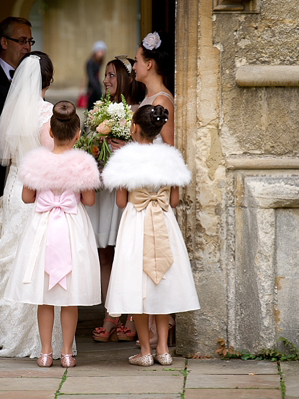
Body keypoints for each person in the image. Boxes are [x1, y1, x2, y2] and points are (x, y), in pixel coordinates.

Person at [0, 51, 70, 359]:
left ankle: (1, 332)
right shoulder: (46, 113)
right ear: (49, 79)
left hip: (15, 186)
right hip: (37, 190)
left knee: (14, 258)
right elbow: (53, 154)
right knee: (37, 261)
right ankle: (36, 339)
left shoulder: (14, 110)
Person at [4, 101, 101, 368]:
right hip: (71, 226)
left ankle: (46, 352)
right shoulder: (83, 162)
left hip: (43, 227)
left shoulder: (35, 161)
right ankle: (67, 352)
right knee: (70, 295)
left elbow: (26, 197)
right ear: (78, 134)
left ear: (49, 131)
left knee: (43, 294)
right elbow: (90, 200)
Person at [102, 105, 200, 366]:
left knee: (137, 285)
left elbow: (122, 201)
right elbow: (175, 200)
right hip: (164, 221)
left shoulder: (124, 159)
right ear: (158, 130)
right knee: (163, 283)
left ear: (134, 127)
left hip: (136, 221)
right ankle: (164, 350)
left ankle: (145, 350)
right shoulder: (171, 158)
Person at [88, 56, 145, 343]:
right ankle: (110, 313)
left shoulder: (139, 111)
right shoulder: (100, 110)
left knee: (129, 253)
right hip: (105, 192)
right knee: (105, 254)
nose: (106, 80)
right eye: (105, 75)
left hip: (125, 191)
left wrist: (129, 146)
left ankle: (133, 315)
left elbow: (149, 151)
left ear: (126, 79)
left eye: (112, 75)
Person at [133, 31, 177, 347]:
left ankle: (156, 334)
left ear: (149, 64)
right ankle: (150, 335)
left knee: (154, 260)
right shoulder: (147, 100)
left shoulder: (162, 100)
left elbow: (168, 146)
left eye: (136, 61)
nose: (134, 67)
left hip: (152, 195)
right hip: (141, 186)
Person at [0, 17, 34, 214]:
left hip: (28, 177)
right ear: (4, 42)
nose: (27, 46)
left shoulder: (34, 79)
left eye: (29, 41)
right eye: (21, 41)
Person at [85, 41, 107, 111]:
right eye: (99, 51)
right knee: (91, 108)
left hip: (97, 87)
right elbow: (91, 77)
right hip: (92, 88)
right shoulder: (90, 62)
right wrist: (97, 88)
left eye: (102, 51)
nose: (101, 53)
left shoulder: (98, 62)